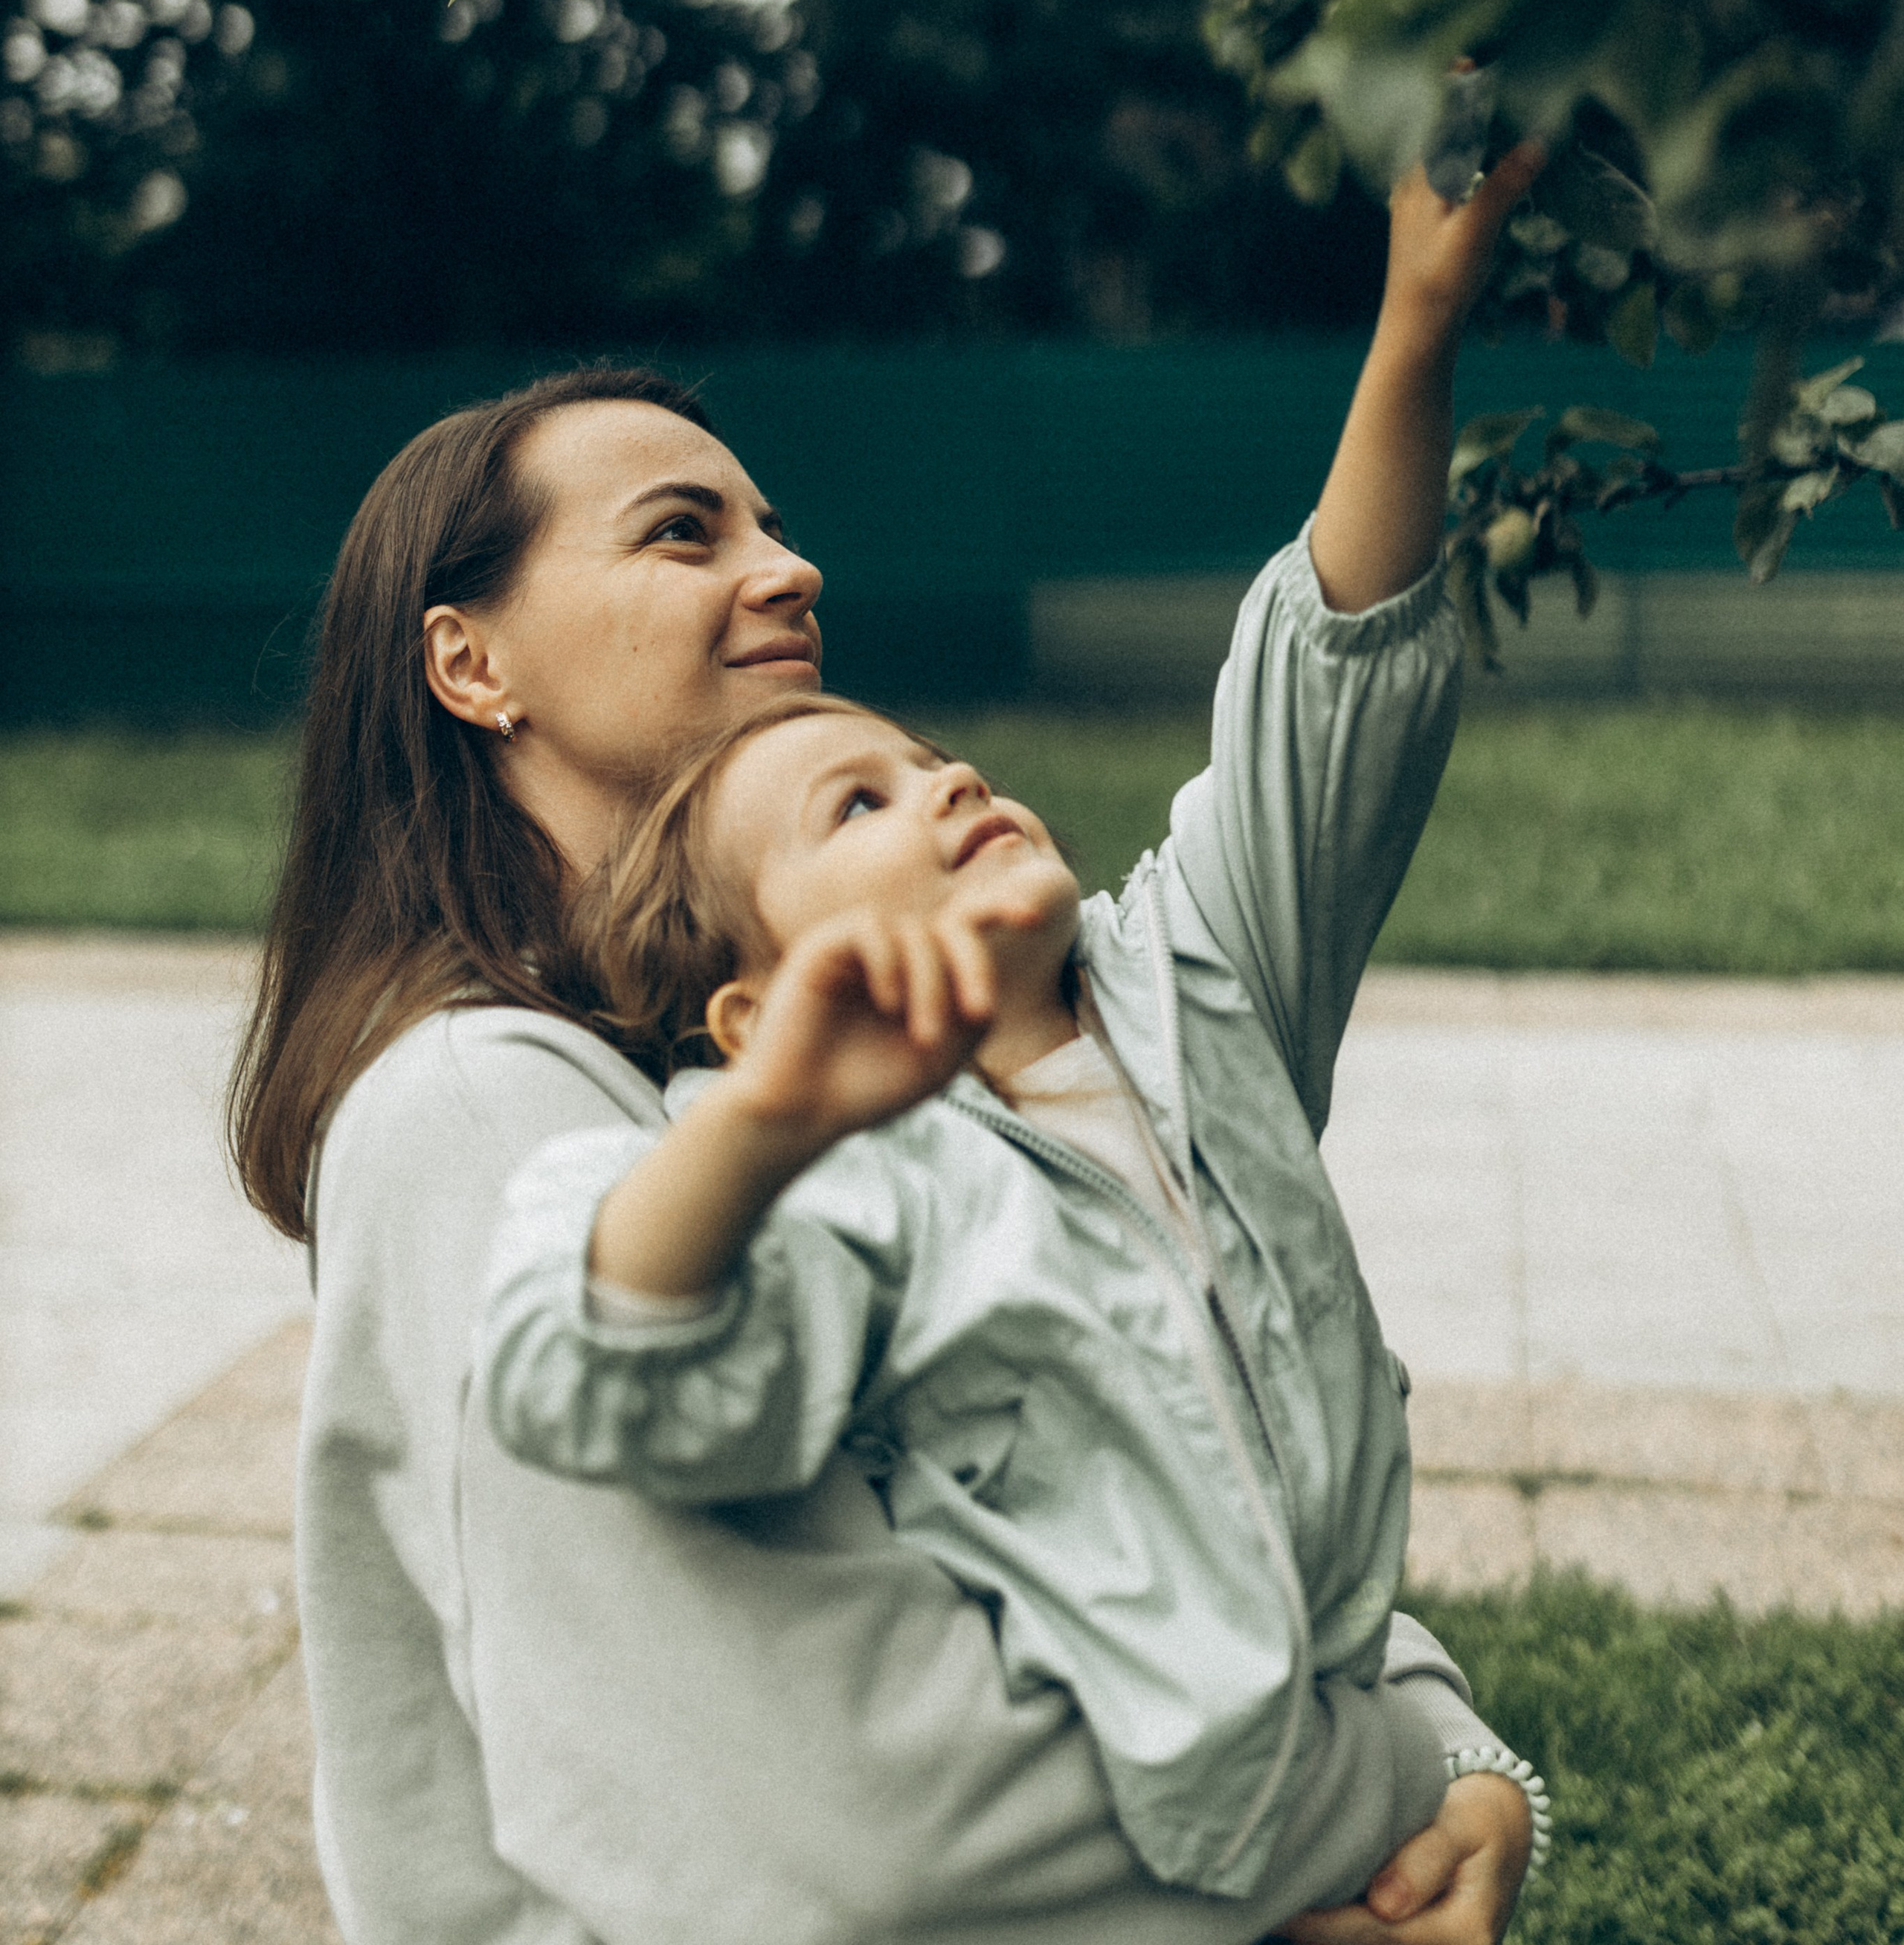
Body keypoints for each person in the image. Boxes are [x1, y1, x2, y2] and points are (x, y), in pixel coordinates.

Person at [231, 143, 1546, 1945]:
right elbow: (855, 1826)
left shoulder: (910, 1052)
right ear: (472, 666)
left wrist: (1432, 1711)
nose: (792, 568)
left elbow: (1133, 1453)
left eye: (771, 524)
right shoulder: (481, 1111)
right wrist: (1392, 1782)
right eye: (685, 530)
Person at [480, 665, 1555, 1916]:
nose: (950, 782)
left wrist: (1457, 1749)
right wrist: (768, 1122)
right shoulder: (843, 1182)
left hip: (1325, 1797)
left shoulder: (1177, 1017)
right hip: (1114, 1866)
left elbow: (1334, 696)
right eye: (859, 807)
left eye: (932, 761)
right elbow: (612, 1371)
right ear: (754, 1007)